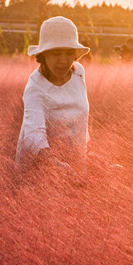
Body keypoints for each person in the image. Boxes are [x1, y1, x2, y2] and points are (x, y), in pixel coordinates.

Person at [16, 16, 91, 176]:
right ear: (43, 54)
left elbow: (79, 120)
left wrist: (88, 155)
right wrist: (53, 163)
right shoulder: (35, 88)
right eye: (56, 53)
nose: (63, 60)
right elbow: (33, 135)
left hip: (76, 163)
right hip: (40, 170)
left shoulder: (78, 72)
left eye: (69, 52)